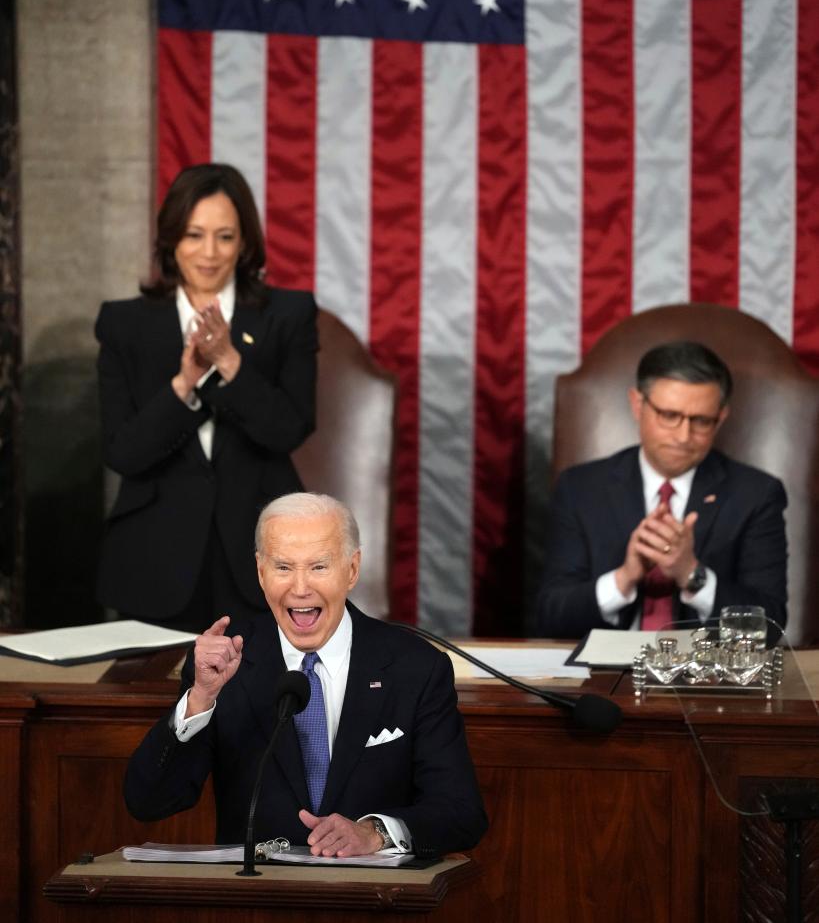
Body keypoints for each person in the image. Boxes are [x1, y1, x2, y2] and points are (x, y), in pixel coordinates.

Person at [124, 493, 488, 858]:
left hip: (374, 902)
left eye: (318, 567)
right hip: (255, 901)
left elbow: (461, 813)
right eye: (283, 567)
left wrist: (376, 832)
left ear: (352, 569)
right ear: (261, 572)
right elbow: (149, 802)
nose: (300, 588)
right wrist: (201, 697)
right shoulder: (226, 664)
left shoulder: (416, 667)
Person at [95, 164, 317, 632]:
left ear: (245, 243)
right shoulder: (124, 325)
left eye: (225, 237)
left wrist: (232, 364)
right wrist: (183, 386)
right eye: (195, 235)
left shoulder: (288, 315)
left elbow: (289, 428)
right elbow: (124, 452)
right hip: (155, 559)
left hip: (262, 557)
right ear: (171, 239)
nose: (210, 254)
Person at [536, 341, 788, 638]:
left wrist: (691, 575)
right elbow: (550, 617)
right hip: (602, 677)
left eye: (701, 421)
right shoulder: (580, 487)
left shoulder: (756, 494)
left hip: (706, 677)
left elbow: (770, 625)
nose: (683, 436)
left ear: (720, 419)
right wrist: (624, 578)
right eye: (669, 416)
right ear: (637, 405)